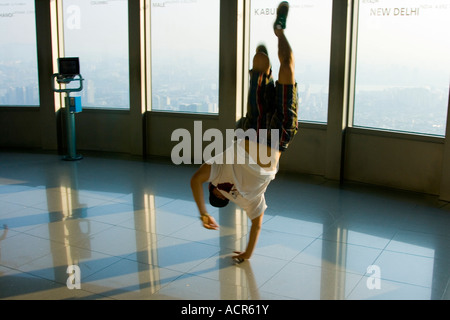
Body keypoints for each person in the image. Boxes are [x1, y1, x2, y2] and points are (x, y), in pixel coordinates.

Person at [190, 1, 298, 263]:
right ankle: (273, 49)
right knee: (262, 60)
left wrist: (247, 255)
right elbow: (195, 181)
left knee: (287, 67)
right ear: (216, 194)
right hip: (261, 130)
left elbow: (257, 226)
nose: (217, 189)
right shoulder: (218, 178)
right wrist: (202, 213)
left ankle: (277, 44)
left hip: (271, 135)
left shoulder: (248, 203)